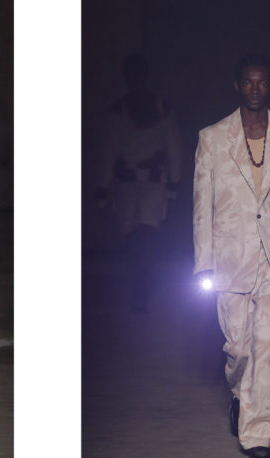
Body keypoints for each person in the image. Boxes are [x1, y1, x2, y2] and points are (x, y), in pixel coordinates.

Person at [192, 53, 270, 458]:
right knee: (239, 348)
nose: (255, 89)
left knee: (267, 347)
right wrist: (203, 264)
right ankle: (241, 397)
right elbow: (202, 206)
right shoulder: (212, 139)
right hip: (229, 258)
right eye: (248, 82)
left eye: (261, 83)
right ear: (237, 86)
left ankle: (258, 434)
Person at [96, 53, 182, 313]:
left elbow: (173, 148)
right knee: (133, 238)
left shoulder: (160, 110)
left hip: (151, 182)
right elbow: (109, 151)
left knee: (145, 237)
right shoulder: (120, 112)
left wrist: (174, 183)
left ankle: (143, 290)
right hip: (128, 182)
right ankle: (139, 288)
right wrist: (103, 186)